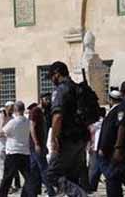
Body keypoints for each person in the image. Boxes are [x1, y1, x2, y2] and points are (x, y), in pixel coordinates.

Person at [46, 61, 93, 197]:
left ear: (57, 74)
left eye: (51, 76)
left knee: (52, 175)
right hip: (81, 138)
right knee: (71, 176)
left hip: (67, 139)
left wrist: (54, 138)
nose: (51, 80)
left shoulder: (61, 90)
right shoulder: (77, 88)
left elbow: (58, 117)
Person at [97, 89, 125, 197]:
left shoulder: (117, 111)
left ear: (110, 100)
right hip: (113, 149)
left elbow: (111, 131)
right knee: (116, 173)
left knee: (111, 176)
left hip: (111, 150)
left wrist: (104, 147)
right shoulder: (117, 111)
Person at [0, 101, 32, 197]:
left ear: (14, 110)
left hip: (13, 152)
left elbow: (0, 133)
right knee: (28, 177)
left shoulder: (13, 122)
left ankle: (2, 195)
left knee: (7, 178)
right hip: (25, 152)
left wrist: (2, 121)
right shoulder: (27, 122)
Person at [27, 102, 52, 197]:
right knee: (40, 169)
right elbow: (32, 128)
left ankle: (46, 191)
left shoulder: (39, 112)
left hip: (37, 146)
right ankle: (47, 191)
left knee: (38, 169)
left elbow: (40, 131)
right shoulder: (36, 111)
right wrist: (37, 143)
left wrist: (41, 145)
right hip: (36, 146)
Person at [0, 102, 13, 193]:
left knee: (8, 169)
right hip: (0, 147)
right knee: (2, 169)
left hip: (9, 147)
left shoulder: (12, 118)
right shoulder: (0, 118)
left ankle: (5, 188)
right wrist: (3, 121)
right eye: (10, 108)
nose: (12, 110)